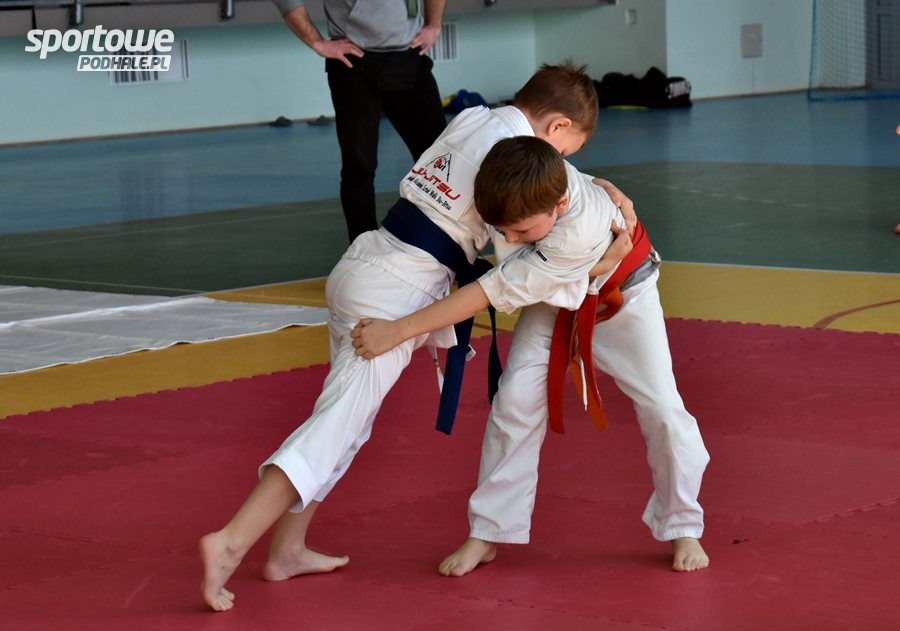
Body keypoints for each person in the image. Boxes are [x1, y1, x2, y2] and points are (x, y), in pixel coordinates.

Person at [199, 63, 634, 612]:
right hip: (395, 292)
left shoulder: (474, 118)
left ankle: (286, 550)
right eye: (567, 150)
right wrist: (614, 212)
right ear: (557, 127)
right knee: (335, 426)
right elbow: (551, 213)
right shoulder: (516, 153)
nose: (561, 163)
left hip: (366, 260)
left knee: (345, 423)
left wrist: (606, 190)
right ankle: (230, 541)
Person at [352, 139, 711, 577]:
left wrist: (398, 329)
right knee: (514, 401)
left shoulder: (574, 233)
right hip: (553, 299)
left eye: (520, 230)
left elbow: (485, 292)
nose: (508, 239)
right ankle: (488, 531)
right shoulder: (524, 178)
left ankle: (682, 524)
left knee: (664, 409)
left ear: (560, 205)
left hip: (622, 299)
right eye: (501, 230)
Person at [274, 0, 449, 241]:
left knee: (439, 160)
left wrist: (434, 24)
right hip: (353, 64)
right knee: (359, 167)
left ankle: (443, 245)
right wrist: (317, 42)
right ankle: (363, 249)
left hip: (409, 55)